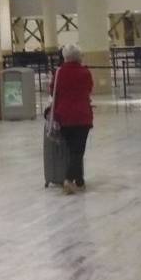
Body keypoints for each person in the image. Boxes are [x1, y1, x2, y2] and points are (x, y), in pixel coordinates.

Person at [50, 43, 94, 194]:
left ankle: (79, 181)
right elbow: (89, 89)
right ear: (78, 56)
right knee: (78, 151)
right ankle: (69, 180)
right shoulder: (85, 72)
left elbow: (53, 91)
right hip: (82, 116)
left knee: (72, 150)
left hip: (63, 116)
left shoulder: (58, 72)